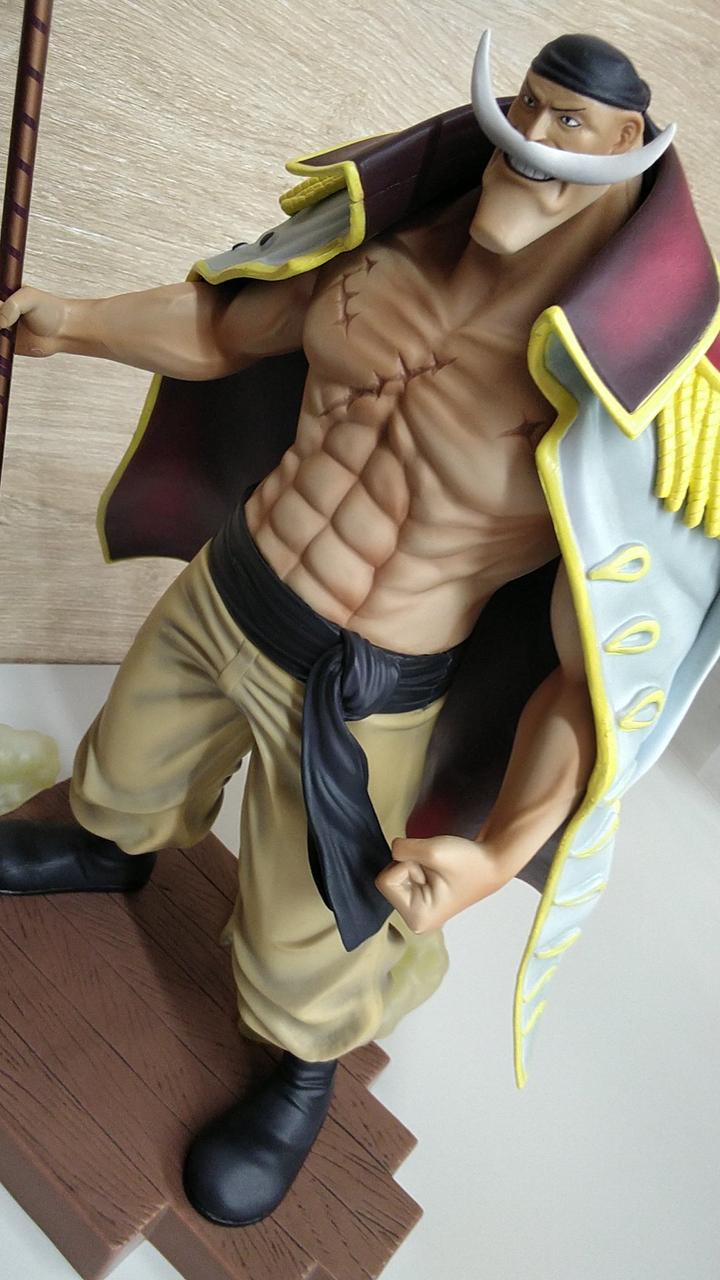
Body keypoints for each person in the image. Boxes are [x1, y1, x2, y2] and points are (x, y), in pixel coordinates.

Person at [1, 30, 717, 1226]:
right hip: (234, 587)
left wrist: (500, 853)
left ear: (629, 153)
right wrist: (69, 319)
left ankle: (302, 1062)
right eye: (527, 109)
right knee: (125, 765)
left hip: (360, 686)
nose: (533, 142)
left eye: (570, 128)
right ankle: (108, 846)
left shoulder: (620, 408)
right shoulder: (382, 252)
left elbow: (588, 676)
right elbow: (223, 330)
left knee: (309, 932)